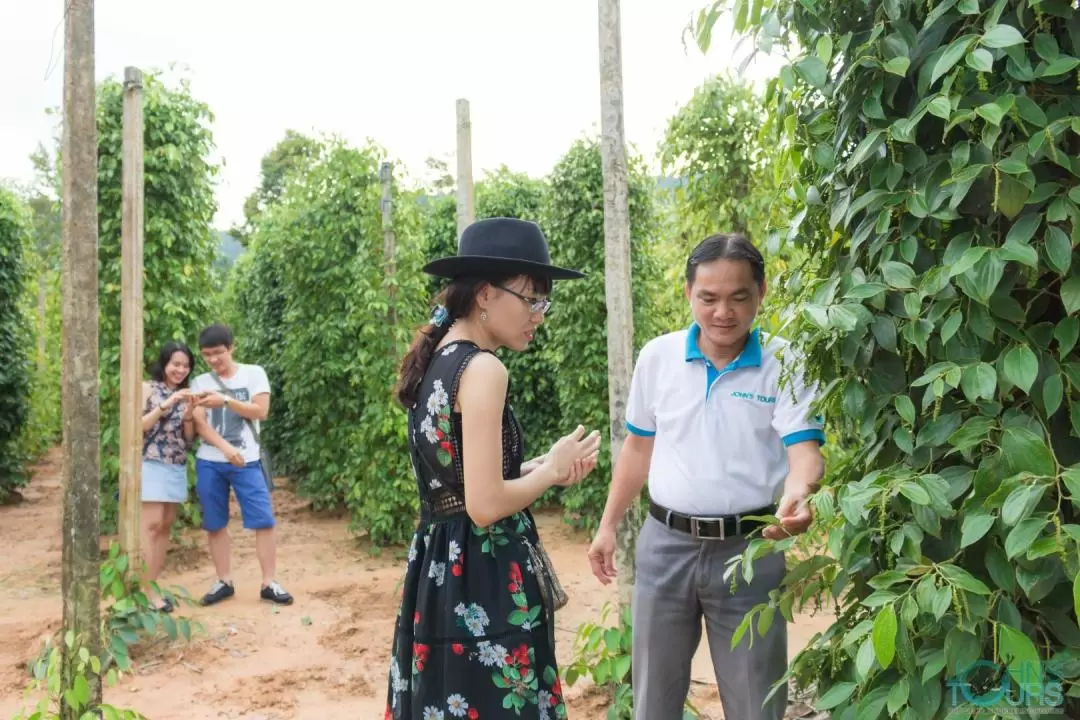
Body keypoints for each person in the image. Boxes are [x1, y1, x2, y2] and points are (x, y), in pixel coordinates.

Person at [587, 233, 826, 720]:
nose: (723, 312)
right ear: (688, 294)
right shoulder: (658, 357)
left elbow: (804, 451)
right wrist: (609, 523)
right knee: (653, 700)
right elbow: (637, 449)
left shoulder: (787, 362)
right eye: (709, 298)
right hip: (664, 546)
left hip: (750, 550)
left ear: (761, 293)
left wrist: (799, 493)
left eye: (739, 297)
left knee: (756, 702)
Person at [384, 217, 601, 720]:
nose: (538, 316)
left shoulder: (439, 360)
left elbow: (458, 485)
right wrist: (548, 475)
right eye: (531, 300)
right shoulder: (484, 368)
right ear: (485, 293)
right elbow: (483, 506)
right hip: (482, 572)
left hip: (441, 568)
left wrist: (542, 462)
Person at [189, 323, 293, 607]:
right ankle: (224, 580)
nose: (213, 360)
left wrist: (224, 399)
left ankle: (269, 581)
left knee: (263, 519)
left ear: (232, 347)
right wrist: (226, 449)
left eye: (219, 353)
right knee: (214, 522)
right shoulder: (199, 382)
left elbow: (261, 410)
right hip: (211, 460)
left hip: (248, 460)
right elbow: (199, 422)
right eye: (207, 354)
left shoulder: (253, 374)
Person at [140, 340, 198, 613]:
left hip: (175, 464)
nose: (180, 370)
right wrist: (166, 404)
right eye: (176, 364)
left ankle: (152, 584)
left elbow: (188, 442)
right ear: (164, 363)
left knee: (165, 524)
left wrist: (188, 416)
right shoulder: (147, 389)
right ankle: (143, 591)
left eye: (186, 366)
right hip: (150, 462)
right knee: (150, 524)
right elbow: (137, 426)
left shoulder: (188, 394)